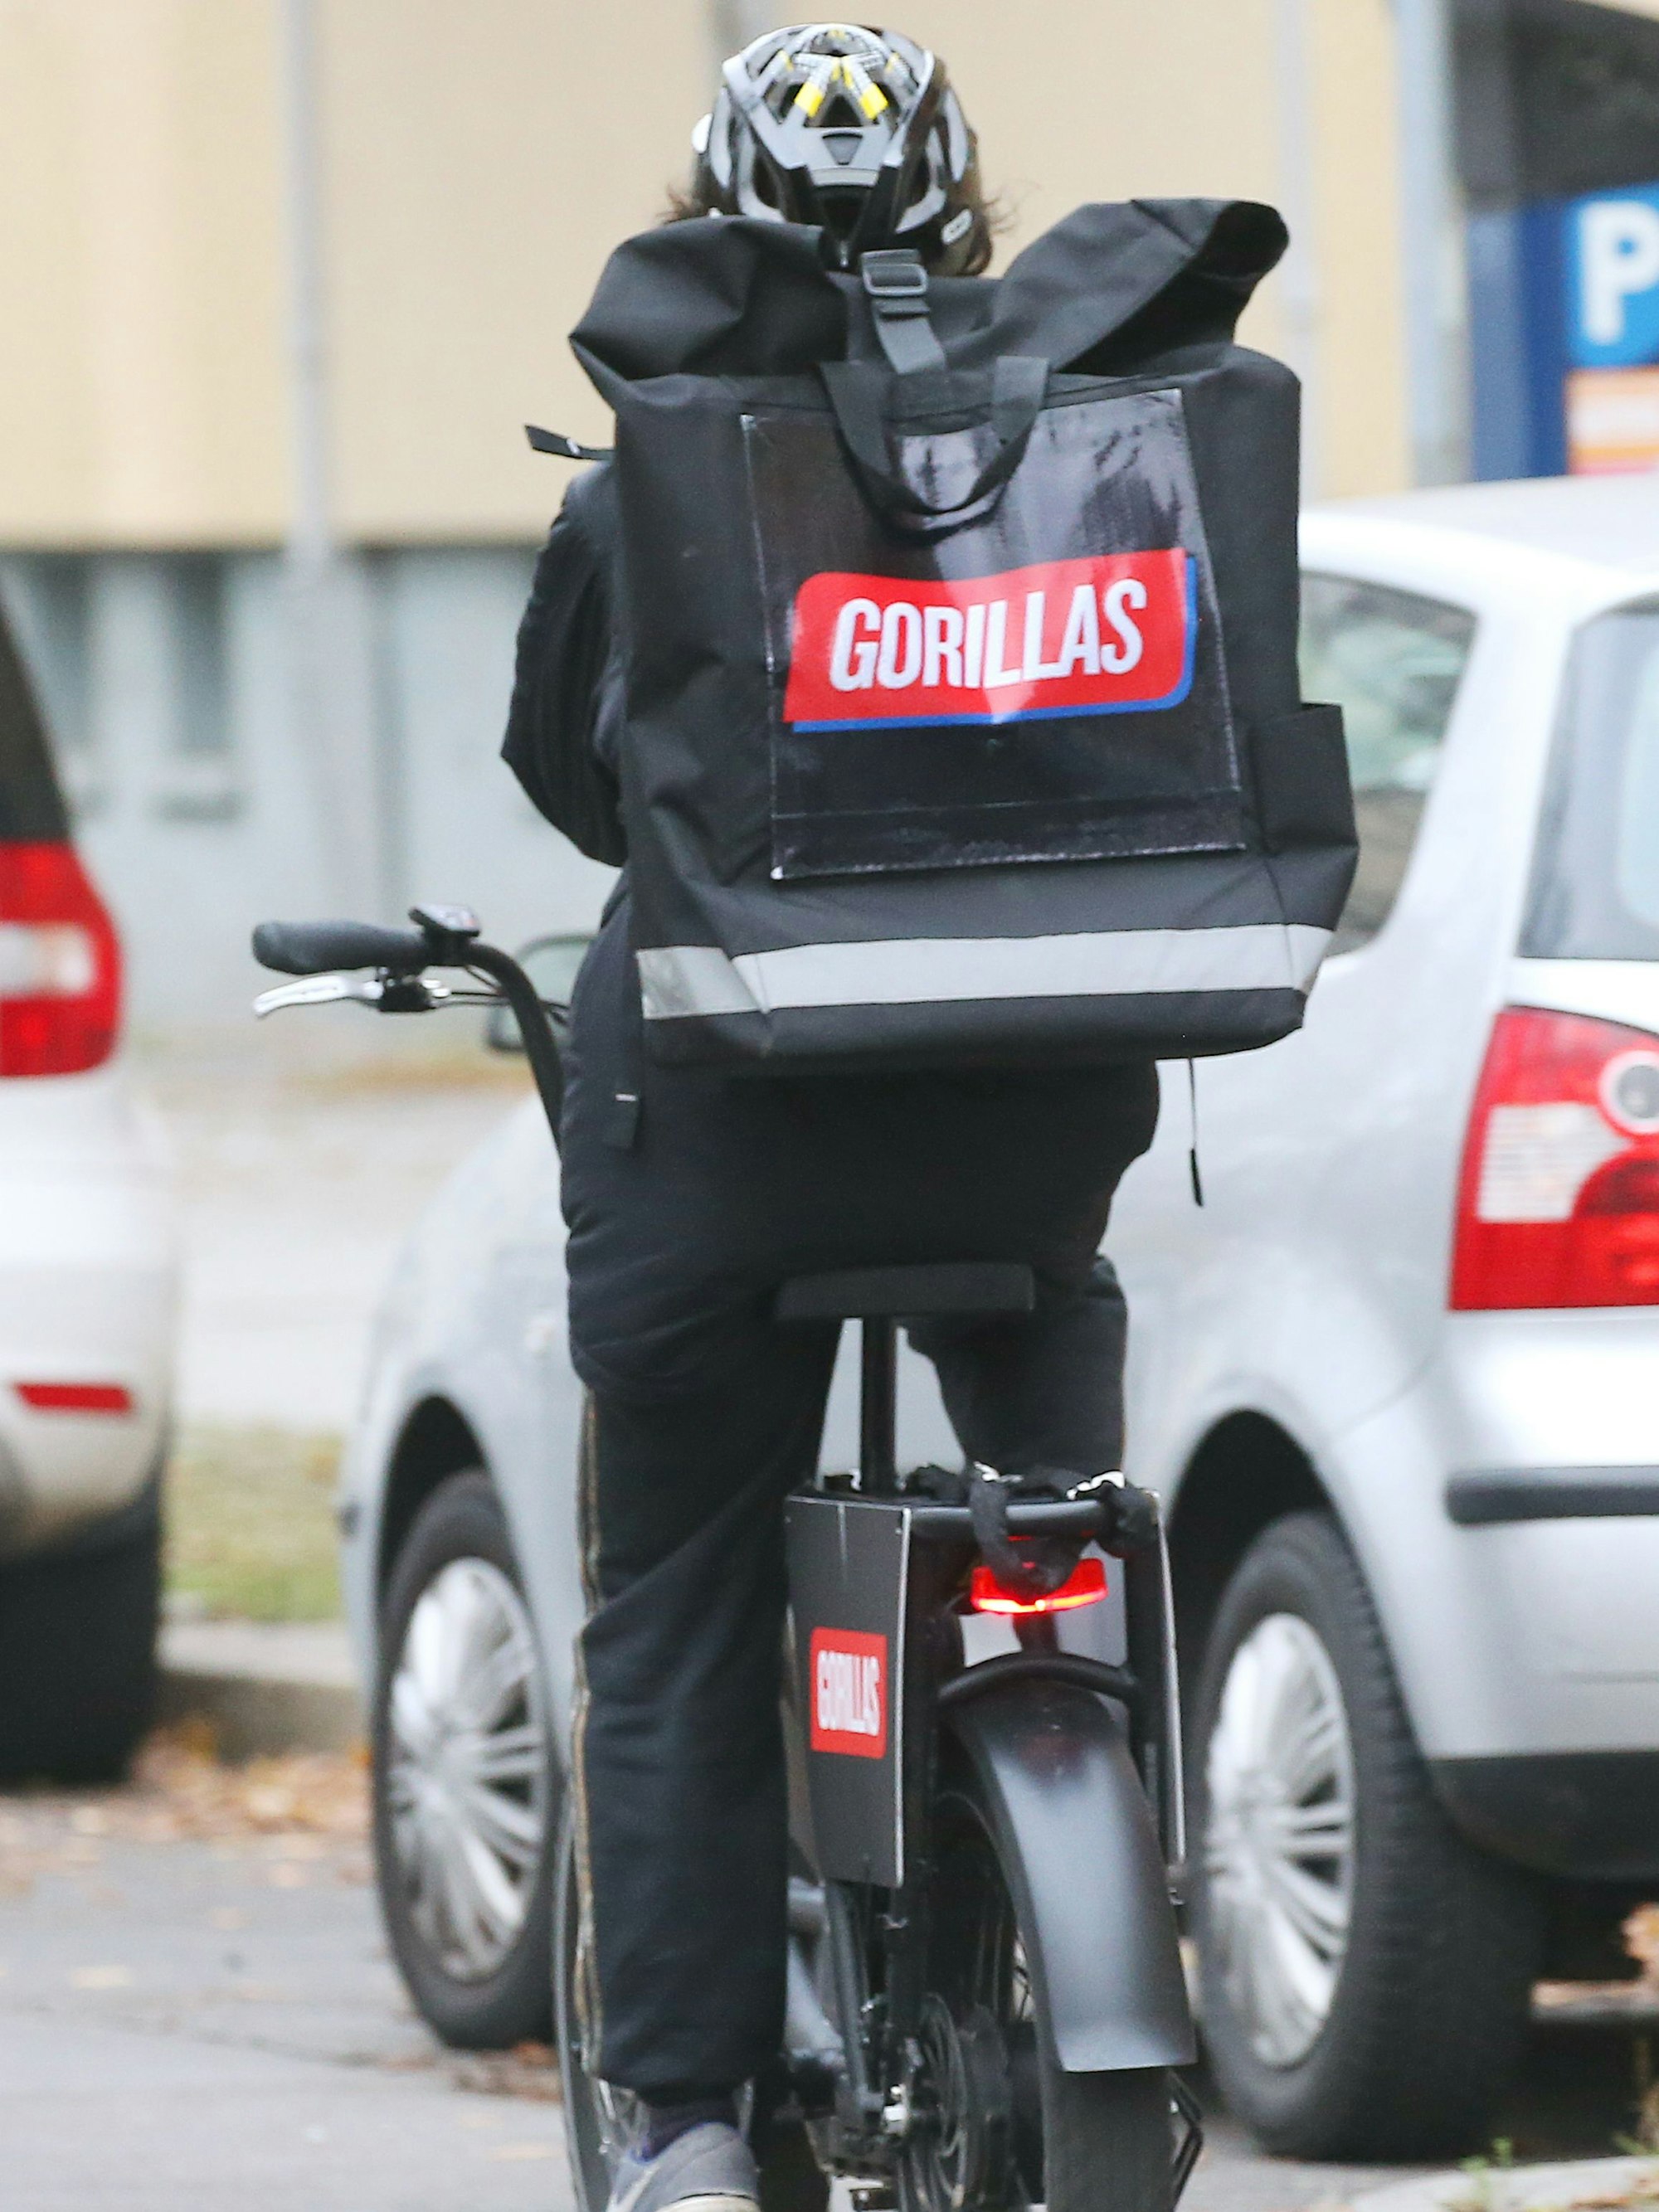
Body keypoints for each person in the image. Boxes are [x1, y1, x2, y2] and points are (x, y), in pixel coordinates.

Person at [504, 27, 1160, 2212]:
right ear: (966, 218)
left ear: (708, 213)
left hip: (727, 1133)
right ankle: (1055, 1680)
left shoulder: (656, 476)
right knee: (1053, 1497)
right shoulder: (1099, 448)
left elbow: (571, 779)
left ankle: (684, 2121)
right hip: (1030, 1118)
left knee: (678, 1590)